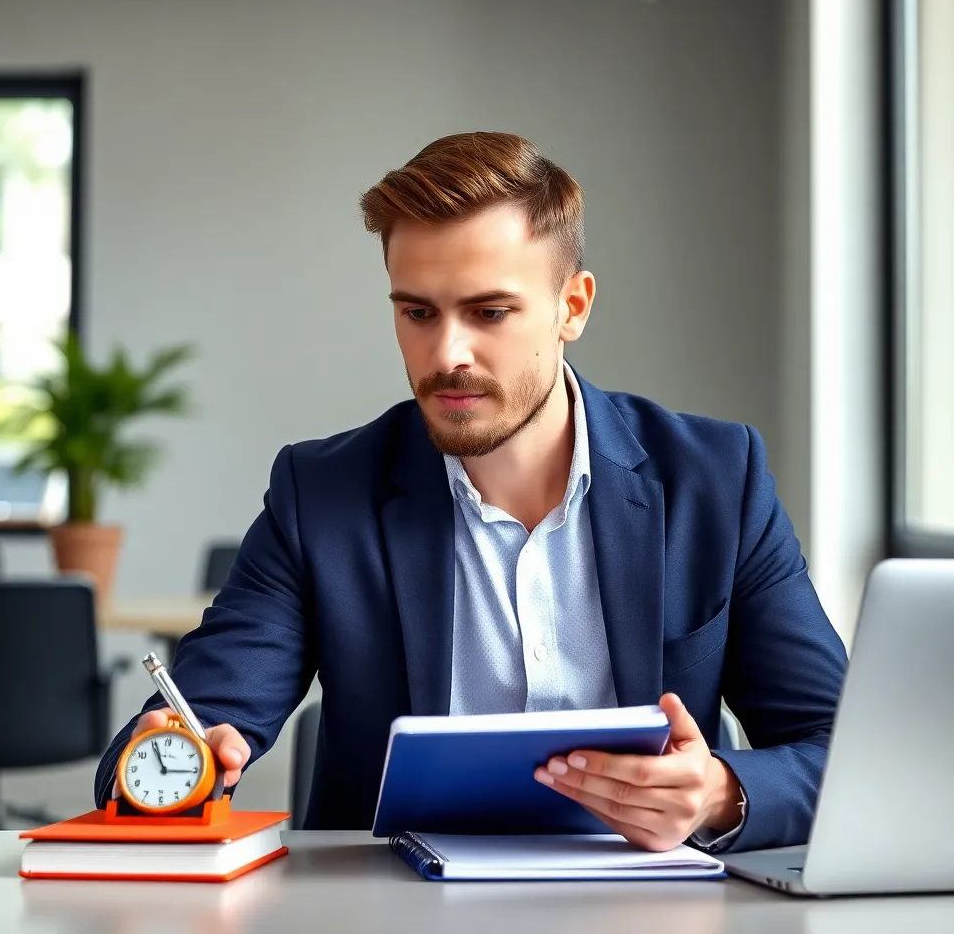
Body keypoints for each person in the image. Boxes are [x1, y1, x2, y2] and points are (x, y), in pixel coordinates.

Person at [95, 132, 847, 853]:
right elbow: (166, 745)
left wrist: (718, 792)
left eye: (489, 312)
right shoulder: (321, 495)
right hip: (395, 910)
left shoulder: (714, 479)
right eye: (417, 312)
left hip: (653, 911)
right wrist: (178, 759)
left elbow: (844, 752)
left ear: (573, 308)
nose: (446, 353)